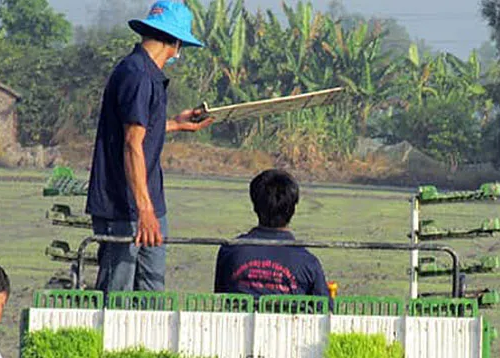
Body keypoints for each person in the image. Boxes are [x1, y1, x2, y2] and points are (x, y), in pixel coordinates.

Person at [86, 0, 213, 294]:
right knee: (117, 291)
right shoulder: (138, 75)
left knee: (151, 289)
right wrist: (143, 210)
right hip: (123, 206)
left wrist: (177, 124)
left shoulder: (147, 73)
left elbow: (139, 127)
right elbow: (132, 144)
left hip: (149, 202)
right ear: (175, 41)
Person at [214, 169, 330, 302]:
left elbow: (221, 300)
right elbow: (325, 311)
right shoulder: (308, 263)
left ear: (255, 206)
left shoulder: (229, 251)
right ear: (293, 209)